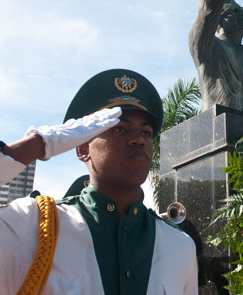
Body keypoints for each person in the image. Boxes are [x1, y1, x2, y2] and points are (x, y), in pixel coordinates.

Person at [0, 68, 198, 294]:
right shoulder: (29, 227)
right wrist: (40, 143)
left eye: (146, 132)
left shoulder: (179, 245)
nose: (138, 140)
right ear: (83, 147)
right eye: (120, 128)